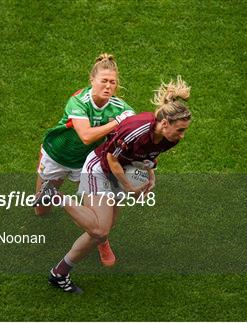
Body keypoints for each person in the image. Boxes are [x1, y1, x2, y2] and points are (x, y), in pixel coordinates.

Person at [41, 76, 192, 293]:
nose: (182, 136)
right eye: (180, 130)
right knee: (100, 230)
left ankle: (59, 273)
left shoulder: (171, 138)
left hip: (121, 170)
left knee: (103, 228)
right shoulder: (136, 129)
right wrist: (129, 187)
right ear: (165, 123)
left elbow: (149, 155)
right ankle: (55, 194)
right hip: (100, 169)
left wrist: (151, 175)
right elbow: (111, 159)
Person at [34, 53, 134, 267]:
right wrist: (117, 122)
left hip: (88, 162)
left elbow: (133, 132)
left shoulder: (121, 108)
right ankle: (51, 196)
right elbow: (86, 136)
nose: (108, 86)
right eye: (104, 81)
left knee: (99, 218)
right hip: (57, 155)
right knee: (41, 210)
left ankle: (102, 240)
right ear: (92, 80)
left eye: (113, 82)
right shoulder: (78, 101)